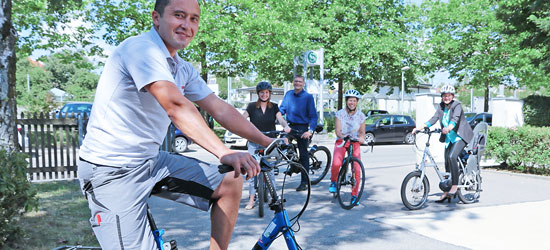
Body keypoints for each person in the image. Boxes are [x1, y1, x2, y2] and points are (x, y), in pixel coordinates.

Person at [76, 0, 272, 249]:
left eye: (194, 19)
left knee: (230, 182)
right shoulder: (141, 50)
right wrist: (225, 152)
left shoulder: (181, 68)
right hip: (113, 171)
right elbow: (176, 107)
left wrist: (268, 142)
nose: (187, 25)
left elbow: (220, 108)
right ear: (156, 18)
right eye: (179, 15)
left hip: (150, 162)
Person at [412, 84, 474, 203]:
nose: (446, 98)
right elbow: (433, 119)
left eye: (448, 95)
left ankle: (454, 186)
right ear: (442, 97)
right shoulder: (441, 107)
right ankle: (447, 190)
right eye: (444, 96)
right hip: (449, 138)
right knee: (447, 162)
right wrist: (419, 128)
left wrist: (449, 127)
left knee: (452, 157)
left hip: (460, 136)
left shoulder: (457, 105)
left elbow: (455, 119)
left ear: (452, 96)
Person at [242, 81, 291, 210]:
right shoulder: (252, 106)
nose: (264, 94)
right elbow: (242, 118)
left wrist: (285, 126)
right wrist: (240, 126)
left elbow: (280, 119)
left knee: (269, 171)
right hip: (254, 141)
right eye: (262, 92)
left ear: (270, 93)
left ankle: (274, 197)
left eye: (267, 92)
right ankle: (252, 199)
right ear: (258, 93)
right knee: (252, 171)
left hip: (269, 142)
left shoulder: (274, 107)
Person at [279, 75, 318, 191]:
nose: (297, 83)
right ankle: (294, 165)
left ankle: (304, 182)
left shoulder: (308, 97)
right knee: (282, 143)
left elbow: (313, 116)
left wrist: (310, 131)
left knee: (303, 155)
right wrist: (277, 115)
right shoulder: (288, 94)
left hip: (302, 128)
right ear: (293, 82)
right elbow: (282, 109)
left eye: (300, 82)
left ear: (303, 84)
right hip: (290, 126)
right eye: (296, 81)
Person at [328, 90, 366, 205]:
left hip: (354, 142)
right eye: (350, 100)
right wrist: (343, 136)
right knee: (336, 163)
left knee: (357, 169)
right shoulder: (340, 114)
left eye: (354, 101)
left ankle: (354, 195)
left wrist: (362, 138)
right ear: (346, 101)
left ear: (357, 102)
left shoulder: (361, 116)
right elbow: (338, 131)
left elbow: (362, 132)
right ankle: (334, 181)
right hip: (342, 140)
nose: (352, 103)